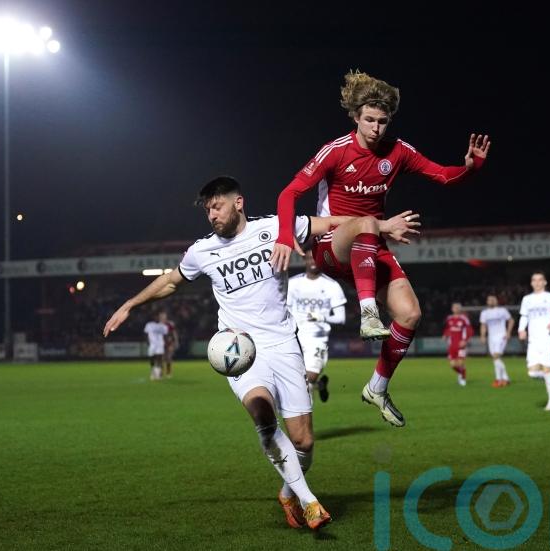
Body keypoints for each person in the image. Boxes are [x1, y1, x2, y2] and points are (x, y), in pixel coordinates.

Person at [103, 176, 416, 530]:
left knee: (304, 441)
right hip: (239, 349)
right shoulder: (201, 251)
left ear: (239, 203)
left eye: (217, 206)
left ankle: (289, 492)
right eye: (207, 210)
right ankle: (310, 501)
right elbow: (172, 281)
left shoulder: (276, 228)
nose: (211, 215)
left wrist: (380, 225)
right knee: (263, 415)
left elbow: (332, 223)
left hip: (283, 344)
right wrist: (131, 304)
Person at [271, 69, 489, 427]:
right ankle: (368, 312)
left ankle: (377, 387)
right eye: (369, 120)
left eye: (382, 121)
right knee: (368, 223)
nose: (376, 128)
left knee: (410, 314)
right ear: (356, 117)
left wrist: (469, 168)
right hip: (332, 246)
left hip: (371, 248)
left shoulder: (398, 152)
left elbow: (442, 175)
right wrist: (284, 235)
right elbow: (289, 193)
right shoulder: (335, 152)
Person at [287, 251, 348, 403]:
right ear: (304, 260)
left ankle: (304, 420)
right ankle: (318, 387)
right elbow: (284, 309)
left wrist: (322, 317)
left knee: (309, 377)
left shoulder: (332, 286)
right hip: (292, 335)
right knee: (297, 379)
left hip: (316, 337)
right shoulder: (293, 283)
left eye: (316, 258)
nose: (313, 261)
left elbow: (341, 318)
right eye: (309, 258)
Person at [518, 272, 550, 410]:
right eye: (534, 280)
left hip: (548, 338)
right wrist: (521, 329)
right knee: (532, 372)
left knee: (547, 368)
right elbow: (524, 316)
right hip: (533, 341)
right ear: (531, 283)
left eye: (540, 280)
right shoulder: (527, 299)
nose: (537, 282)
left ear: (545, 282)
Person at [480, 295, 514, 387]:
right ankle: (504, 379)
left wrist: (508, 332)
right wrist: (483, 336)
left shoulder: (502, 311)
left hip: (501, 336)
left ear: (496, 301)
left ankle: (499, 379)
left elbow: (511, 320)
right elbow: (483, 325)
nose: (490, 301)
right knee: (495, 358)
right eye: (489, 300)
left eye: (492, 300)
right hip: (491, 337)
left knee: (496, 356)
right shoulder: (484, 313)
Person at [442, 302, 473, 386]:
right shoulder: (449, 318)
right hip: (452, 345)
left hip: (461, 344)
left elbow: (469, 330)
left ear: (460, 309)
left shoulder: (464, 318)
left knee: (460, 363)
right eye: (454, 307)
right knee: (452, 365)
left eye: (457, 307)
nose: (456, 309)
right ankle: (462, 372)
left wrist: (465, 340)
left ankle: (463, 378)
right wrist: (445, 335)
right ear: (452, 309)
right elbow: (447, 328)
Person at [144, 312, 169, 381]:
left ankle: (158, 373)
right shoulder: (149, 325)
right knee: (152, 358)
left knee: (159, 359)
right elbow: (146, 334)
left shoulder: (163, 326)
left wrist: (166, 344)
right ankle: (153, 370)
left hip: (160, 344)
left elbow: (165, 335)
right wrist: (147, 342)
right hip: (152, 344)